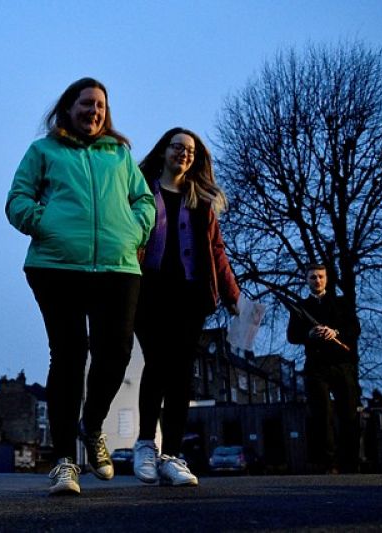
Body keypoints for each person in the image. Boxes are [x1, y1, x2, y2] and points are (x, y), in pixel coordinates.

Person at [6, 78, 156, 495]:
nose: (95, 112)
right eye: (87, 104)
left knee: (116, 353)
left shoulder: (119, 154)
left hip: (118, 266)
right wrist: (44, 223)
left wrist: (134, 230)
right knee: (69, 356)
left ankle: (92, 426)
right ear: (68, 107)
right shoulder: (43, 151)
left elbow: (144, 201)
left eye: (101, 106)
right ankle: (64, 462)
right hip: (56, 266)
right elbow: (17, 199)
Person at [131, 127, 240, 486]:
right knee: (158, 364)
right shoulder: (141, 189)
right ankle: (146, 444)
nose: (184, 154)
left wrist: (233, 295)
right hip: (148, 291)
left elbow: (217, 251)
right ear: (164, 150)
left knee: (180, 373)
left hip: (191, 296)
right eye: (177, 147)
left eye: (191, 151)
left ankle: (173, 456)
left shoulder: (202, 199)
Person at [287, 263, 361, 474]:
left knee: (348, 413)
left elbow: (354, 329)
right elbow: (292, 336)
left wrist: (335, 331)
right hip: (316, 367)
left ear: (327, 279)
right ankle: (330, 464)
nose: (317, 281)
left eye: (320, 277)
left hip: (341, 364)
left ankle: (351, 461)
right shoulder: (301, 307)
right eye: (312, 277)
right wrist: (309, 335)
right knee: (322, 415)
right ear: (306, 280)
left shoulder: (341, 303)